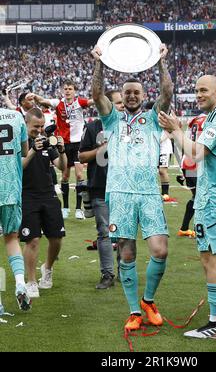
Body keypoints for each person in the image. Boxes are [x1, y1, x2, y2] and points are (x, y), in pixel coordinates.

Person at [159, 75, 216, 339]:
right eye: (196, 90)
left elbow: (196, 153)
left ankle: (215, 324)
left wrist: (176, 130)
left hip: (213, 200)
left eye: (204, 90)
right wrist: (178, 131)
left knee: (208, 257)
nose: (198, 94)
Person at [91, 42, 173, 331]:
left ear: (143, 95)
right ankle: (134, 312)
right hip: (121, 194)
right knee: (126, 254)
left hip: (149, 193)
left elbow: (168, 93)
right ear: (122, 97)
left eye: (137, 92)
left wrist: (161, 61)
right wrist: (99, 62)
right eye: (128, 92)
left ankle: (149, 300)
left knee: (160, 250)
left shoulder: (153, 119)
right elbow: (96, 94)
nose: (132, 95)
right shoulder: (111, 119)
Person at [79, 90, 124, 289]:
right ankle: (108, 275)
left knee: (124, 232)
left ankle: (125, 273)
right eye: (118, 103)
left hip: (124, 187)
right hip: (100, 187)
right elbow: (81, 157)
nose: (122, 106)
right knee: (104, 233)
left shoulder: (127, 127)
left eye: (122, 103)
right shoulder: (92, 127)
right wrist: (102, 149)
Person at [20, 108, 67, 299]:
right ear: (26, 125)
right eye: (35, 127)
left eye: (41, 126)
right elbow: (19, 166)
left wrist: (62, 151)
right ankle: (31, 281)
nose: (39, 131)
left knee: (56, 238)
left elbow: (62, 166)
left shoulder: (48, 141)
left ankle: (47, 268)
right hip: (27, 195)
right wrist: (33, 149)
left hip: (48, 194)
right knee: (32, 240)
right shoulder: (19, 142)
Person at [34, 80, 94, 220]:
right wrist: (34, 96)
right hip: (64, 144)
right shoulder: (57, 103)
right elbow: (42, 100)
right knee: (65, 176)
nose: (67, 91)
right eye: (66, 88)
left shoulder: (80, 102)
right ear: (63, 90)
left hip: (78, 143)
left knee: (80, 176)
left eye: (70, 88)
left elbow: (93, 101)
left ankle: (79, 209)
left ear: (74, 91)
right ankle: (65, 207)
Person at [0, 107, 31, 313]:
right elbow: (25, 151)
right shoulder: (16, 116)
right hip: (10, 187)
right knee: (11, 238)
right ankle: (20, 282)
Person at [177, 112, 206, 237]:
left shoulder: (194, 120)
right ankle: (201, 229)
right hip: (198, 162)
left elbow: (185, 142)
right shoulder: (209, 120)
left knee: (196, 196)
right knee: (202, 197)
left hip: (187, 162)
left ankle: (184, 228)